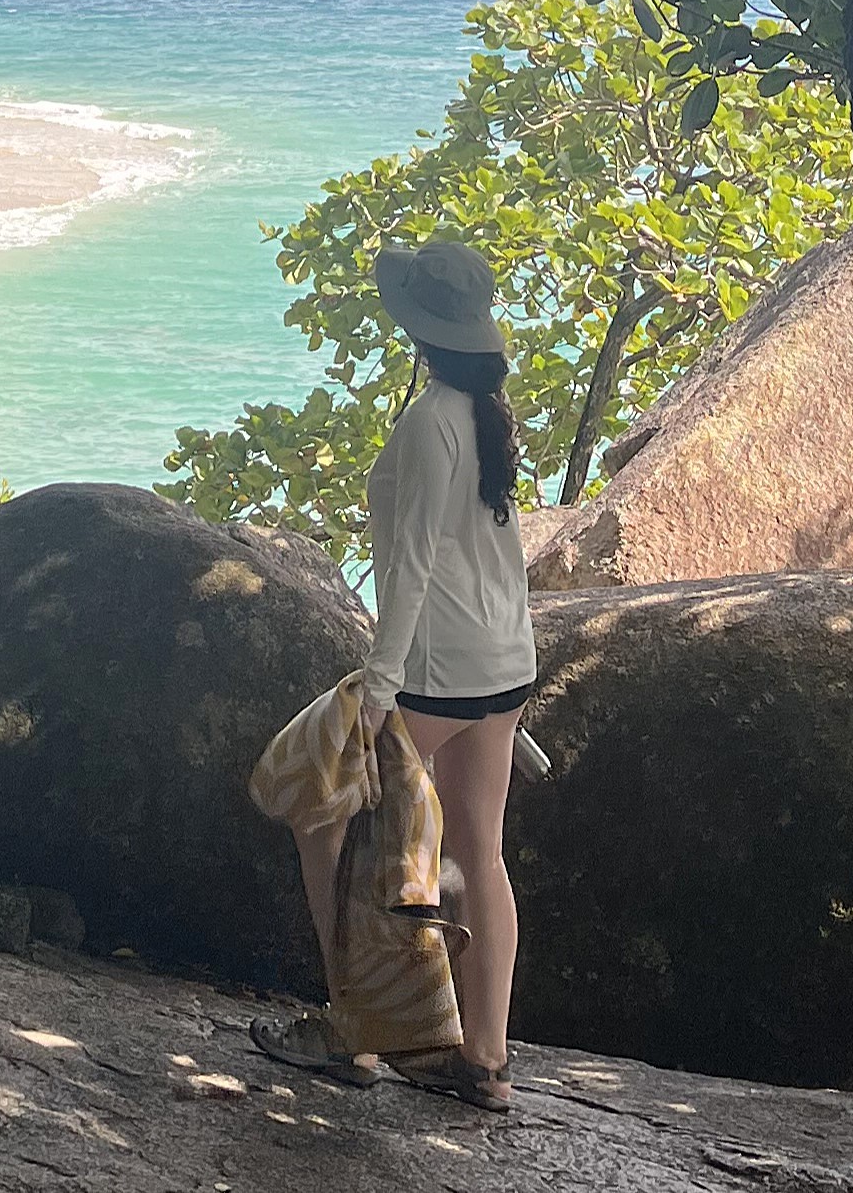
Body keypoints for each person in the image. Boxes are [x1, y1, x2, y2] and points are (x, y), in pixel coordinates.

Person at [252, 239, 534, 1111]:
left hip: (434, 670)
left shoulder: (431, 420)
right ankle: (484, 1056)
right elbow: (495, 551)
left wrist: (379, 690)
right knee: (478, 853)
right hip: (501, 662)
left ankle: (357, 1032)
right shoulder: (486, 409)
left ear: (418, 329)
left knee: (321, 810)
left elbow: (409, 564)